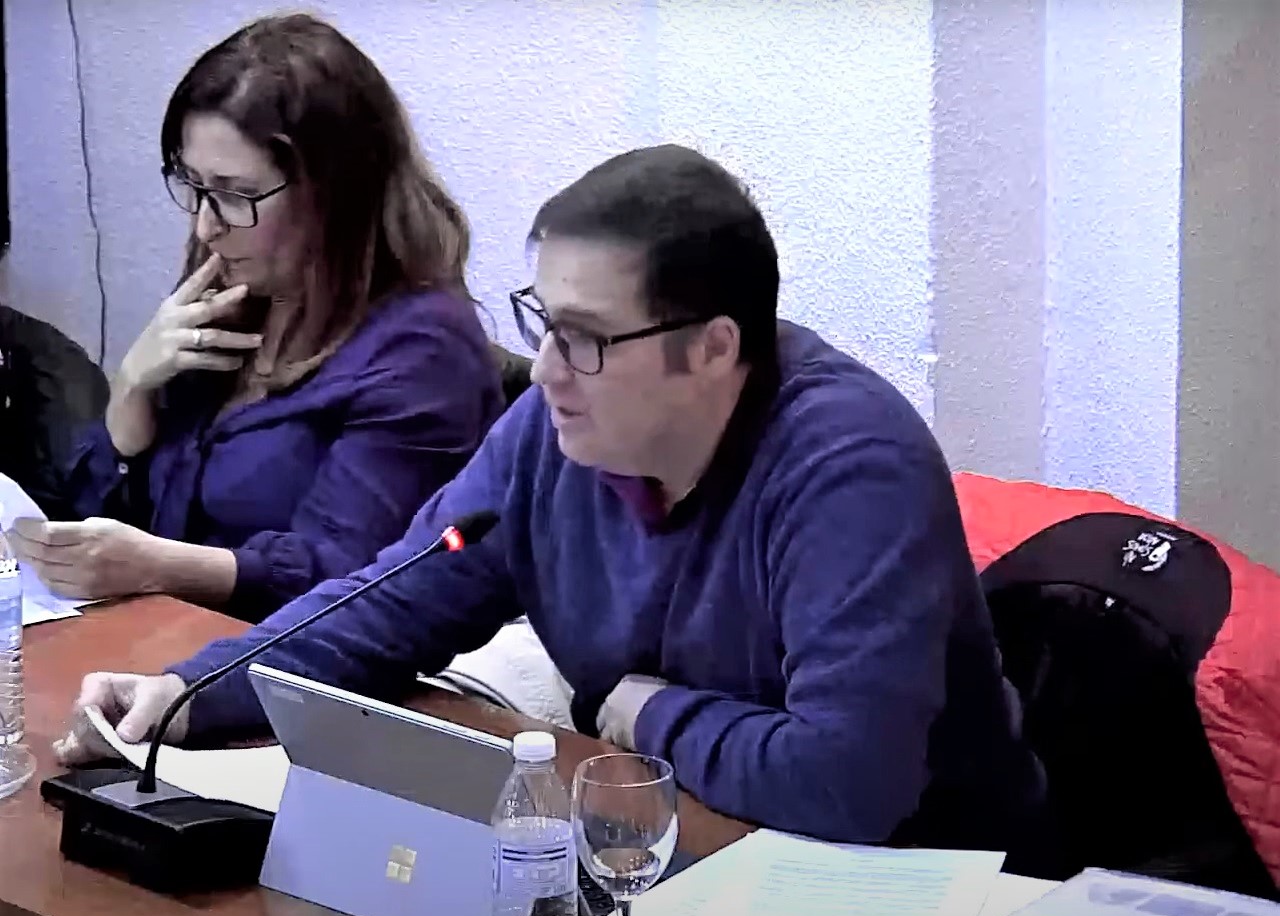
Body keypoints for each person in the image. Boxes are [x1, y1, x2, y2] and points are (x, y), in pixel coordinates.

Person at [56, 144, 1044, 851]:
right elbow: (389, 606)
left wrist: (647, 714)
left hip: (916, 888)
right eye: (542, 320)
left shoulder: (848, 467)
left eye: (586, 337)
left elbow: (845, 786)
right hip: (674, 848)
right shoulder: (553, 434)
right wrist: (189, 692)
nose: (547, 369)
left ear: (713, 349)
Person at [7, 14, 502, 622]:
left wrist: (161, 565)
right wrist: (131, 399)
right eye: (193, 185)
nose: (205, 226)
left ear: (335, 194)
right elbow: (93, 531)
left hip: (299, 662)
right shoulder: (231, 286)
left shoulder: (426, 351)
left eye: (234, 194)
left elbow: (348, 579)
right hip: (158, 637)